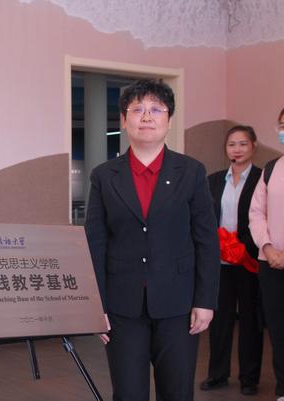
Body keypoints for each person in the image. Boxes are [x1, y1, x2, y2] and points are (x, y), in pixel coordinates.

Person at [85, 79, 220, 401]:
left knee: (177, 391)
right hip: (122, 306)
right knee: (128, 392)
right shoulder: (104, 176)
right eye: (138, 109)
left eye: (156, 109)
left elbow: (206, 240)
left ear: (169, 120)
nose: (147, 116)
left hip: (179, 303)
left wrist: (206, 300)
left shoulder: (191, 171)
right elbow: (95, 244)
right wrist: (94, 306)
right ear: (124, 120)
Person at [201, 125, 263, 395]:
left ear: (254, 146)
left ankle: (249, 377)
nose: (237, 149)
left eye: (243, 144)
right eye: (231, 145)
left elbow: (263, 217)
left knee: (250, 320)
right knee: (220, 320)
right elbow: (205, 218)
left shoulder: (262, 178)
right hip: (220, 261)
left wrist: (243, 246)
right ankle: (217, 374)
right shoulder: (214, 180)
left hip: (250, 259)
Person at [249, 106, 284, 401]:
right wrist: (268, 247)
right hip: (271, 263)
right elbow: (256, 213)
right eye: (283, 125)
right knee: (279, 330)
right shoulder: (271, 169)